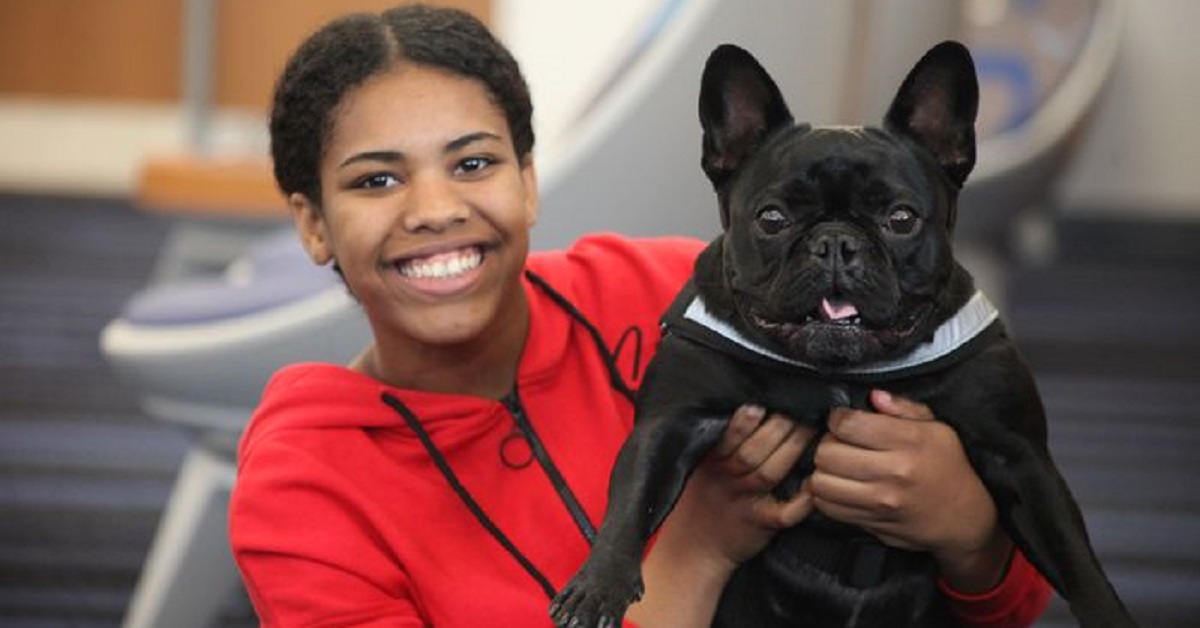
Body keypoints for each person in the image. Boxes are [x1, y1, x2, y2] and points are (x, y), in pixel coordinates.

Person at [229, 5, 1052, 627]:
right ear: (310, 223)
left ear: (527, 182)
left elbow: (1010, 606)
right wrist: (697, 549)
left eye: (474, 163)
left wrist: (967, 529)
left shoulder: (678, 297)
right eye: (377, 180)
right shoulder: (304, 482)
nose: (435, 209)